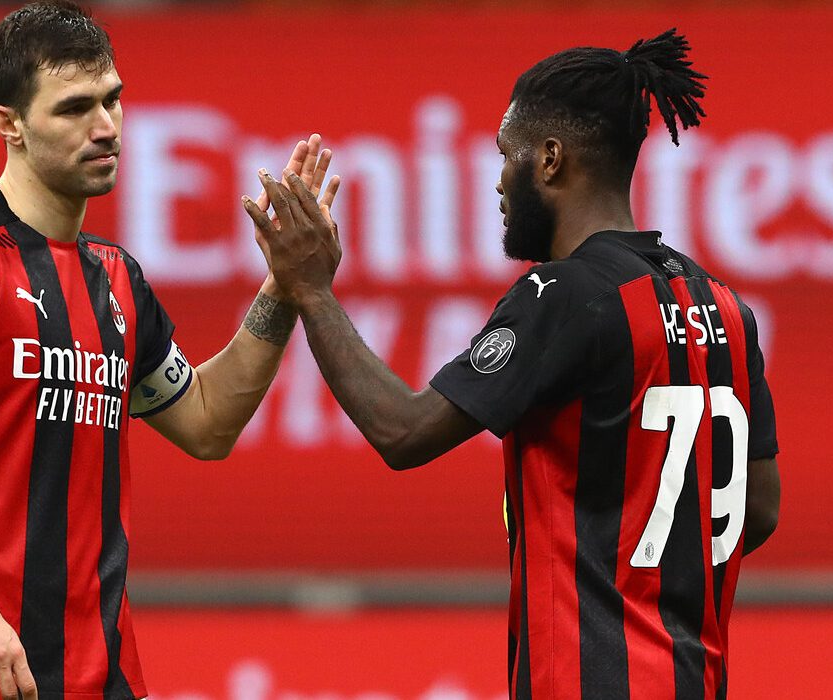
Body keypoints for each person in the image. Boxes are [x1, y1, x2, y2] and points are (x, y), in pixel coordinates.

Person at [246, 29, 779, 700]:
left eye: (506, 155)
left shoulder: (563, 294)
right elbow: (758, 509)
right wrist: (656, 570)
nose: (498, 180)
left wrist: (312, 289)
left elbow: (403, 431)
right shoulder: (725, 305)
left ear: (550, 160)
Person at [0, 2, 339, 698]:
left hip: (100, 673)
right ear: (8, 124)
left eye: (113, 100)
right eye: (75, 108)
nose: (106, 127)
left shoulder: (116, 277)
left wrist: (285, 289)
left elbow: (206, 424)